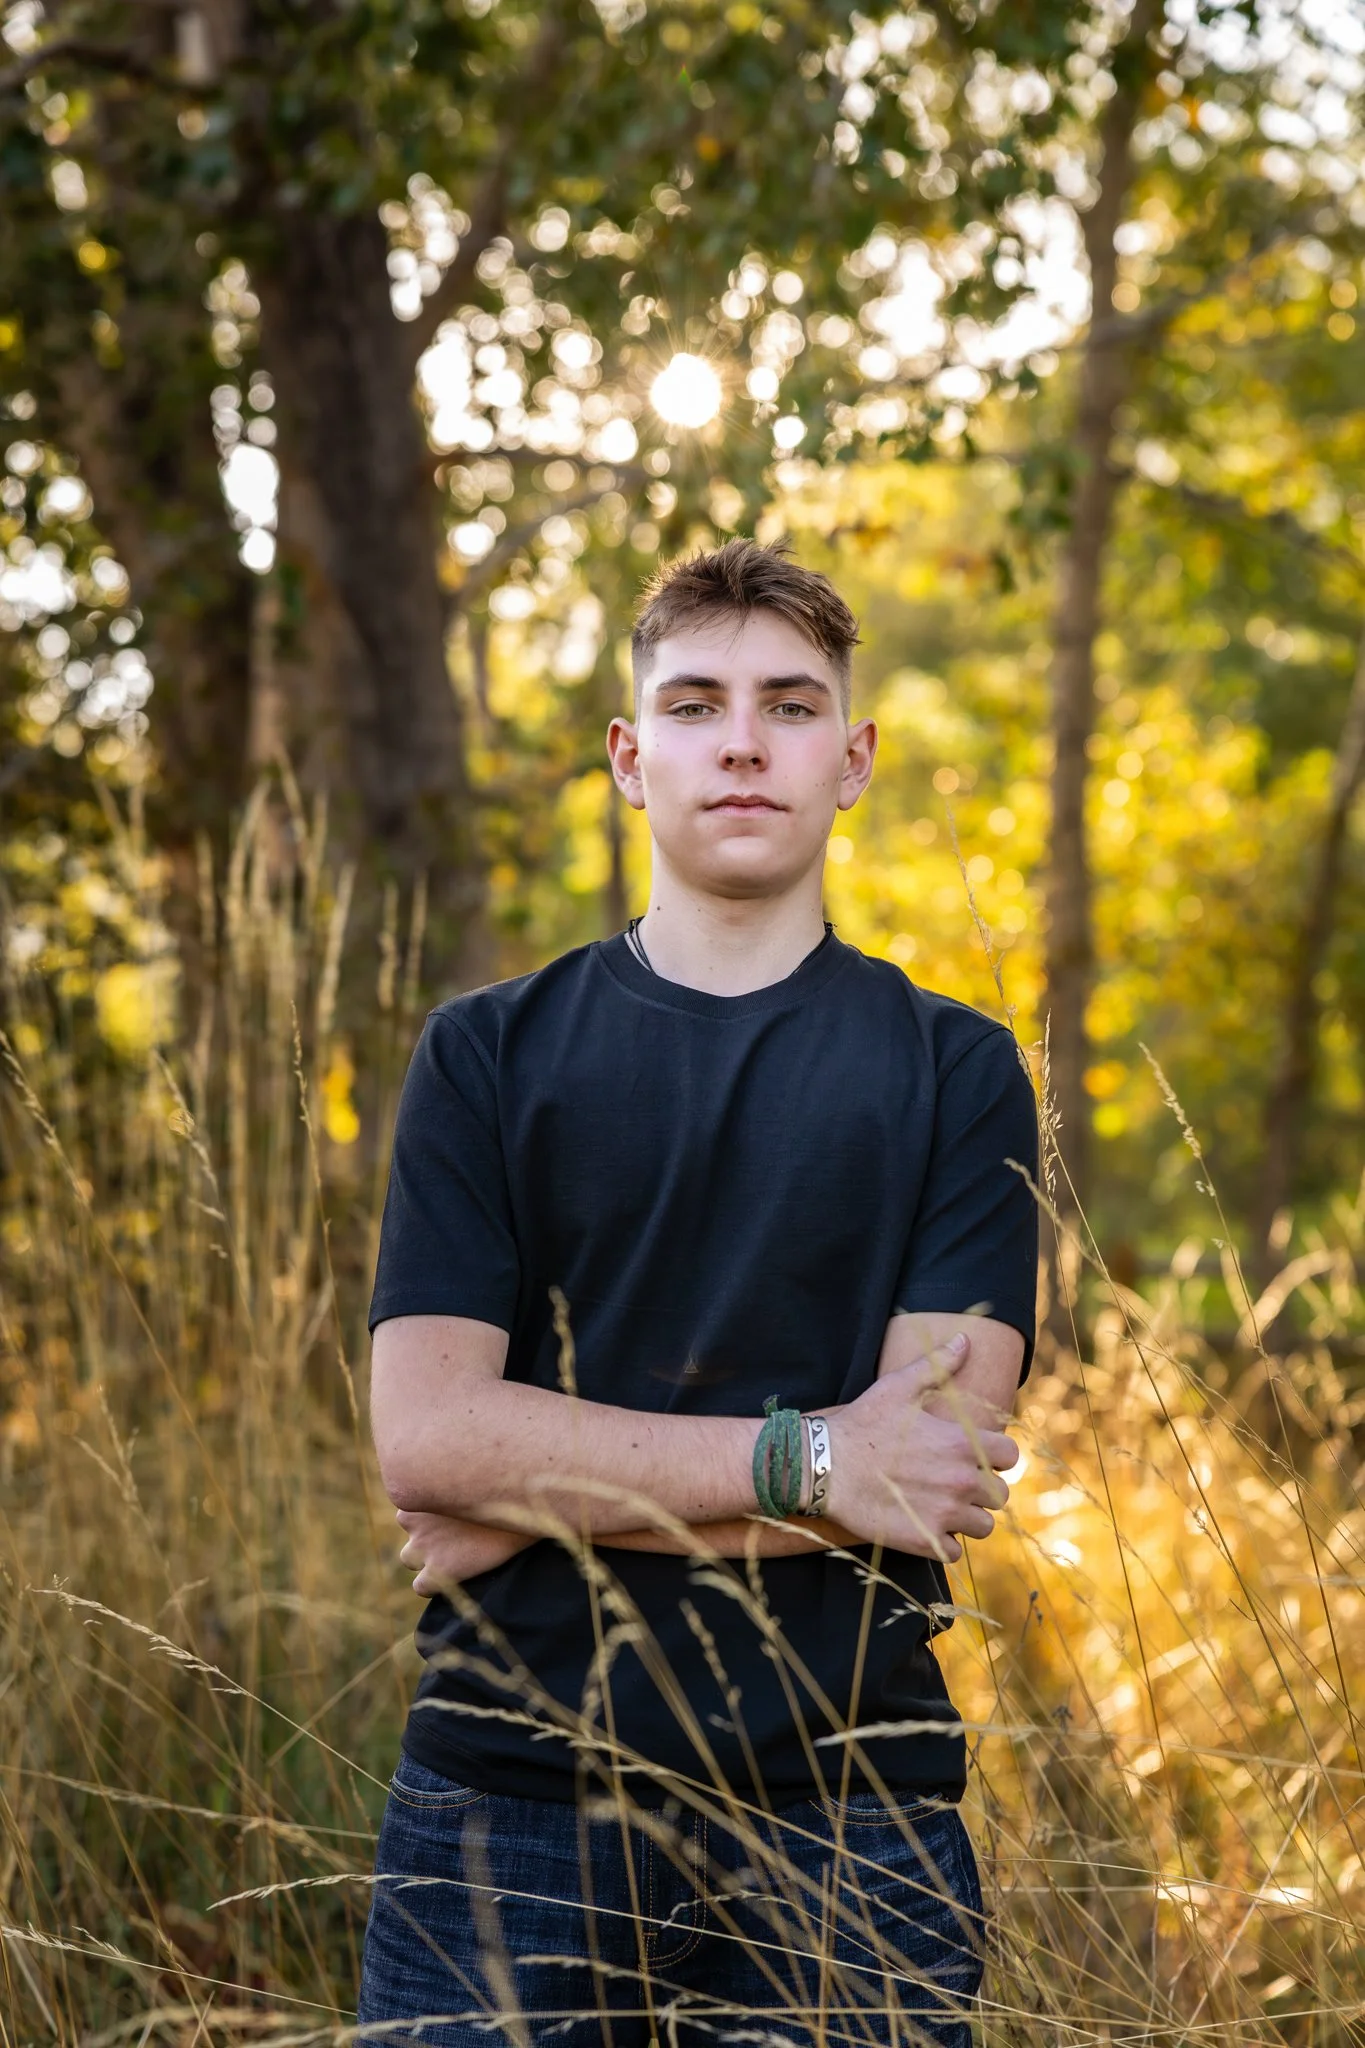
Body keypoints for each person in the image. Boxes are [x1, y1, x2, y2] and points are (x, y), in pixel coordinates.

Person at [357, 538, 1039, 2048]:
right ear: (629, 753)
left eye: (792, 707)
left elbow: (923, 1476)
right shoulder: (483, 1055)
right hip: (504, 1801)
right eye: (696, 703)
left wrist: (523, 1491)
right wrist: (810, 1464)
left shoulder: (957, 1070)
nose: (742, 740)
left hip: (849, 1812)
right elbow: (427, 1445)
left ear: (854, 760)